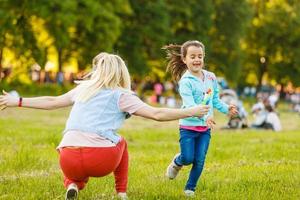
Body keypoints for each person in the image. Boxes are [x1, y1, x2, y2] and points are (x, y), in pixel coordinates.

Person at [0, 52, 210, 200]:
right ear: (121, 73)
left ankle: (72, 185)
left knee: (74, 157)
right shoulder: (121, 95)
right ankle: (121, 193)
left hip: (68, 158)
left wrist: (18, 101)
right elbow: (156, 114)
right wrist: (189, 111)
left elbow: (52, 102)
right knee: (122, 143)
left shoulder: (83, 89)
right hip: (101, 160)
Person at [162, 40, 238, 197]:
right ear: (184, 59)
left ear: (204, 57)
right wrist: (206, 118)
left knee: (200, 160)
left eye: (200, 56)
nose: (197, 59)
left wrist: (226, 108)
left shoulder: (211, 77)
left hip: (205, 129)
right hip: (188, 127)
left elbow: (215, 100)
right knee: (188, 158)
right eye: (192, 56)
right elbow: (191, 108)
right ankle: (178, 161)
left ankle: (190, 188)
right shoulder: (185, 82)